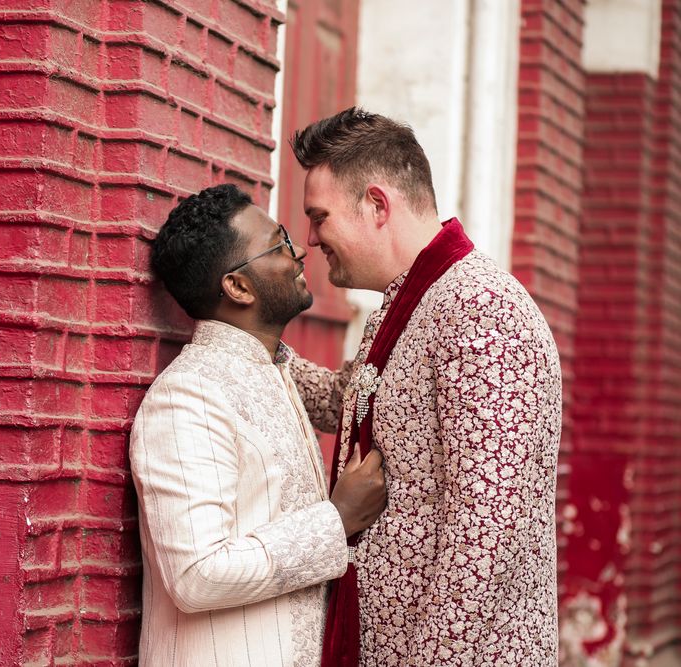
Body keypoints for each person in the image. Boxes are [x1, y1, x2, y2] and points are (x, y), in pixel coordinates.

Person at [287, 108, 561, 666]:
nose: (311, 238)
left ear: (377, 204)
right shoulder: (406, 303)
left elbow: (486, 528)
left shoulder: (481, 309)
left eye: (320, 216)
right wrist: (251, 345)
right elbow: (351, 403)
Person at [131, 184, 387, 667]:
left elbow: (344, 397)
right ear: (238, 287)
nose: (298, 255)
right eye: (280, 245)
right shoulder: (189, 396)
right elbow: (195, 574)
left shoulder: (275, 369)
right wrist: (337, 519)